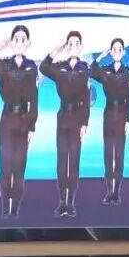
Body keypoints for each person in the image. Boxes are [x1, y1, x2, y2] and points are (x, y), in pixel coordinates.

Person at [0, 25, 39, 219]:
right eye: (16, 39)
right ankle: (6, 206)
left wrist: (32, 126)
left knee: (19, 167)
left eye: (23, 39)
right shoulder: (3, 65)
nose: (20, 42)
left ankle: (16, 208)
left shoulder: (31, 67)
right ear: (11, 42)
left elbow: (34, 98)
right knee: (6, 166)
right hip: (7, 119)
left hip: (24, 120)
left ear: (28, 43)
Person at [40, 31, 90, 217]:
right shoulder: (59, 68)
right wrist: (56, 50)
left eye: (77, 43)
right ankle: (62, 200)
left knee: (74, 159)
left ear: (81, 47)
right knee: (62, 159)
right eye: (70, 44)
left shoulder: (84, 69)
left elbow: (86, 98)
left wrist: (85, 123)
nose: (73, 46)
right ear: (67, 47)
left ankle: (71, 201)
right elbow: (44, 67)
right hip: (63, 117)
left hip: (78, 118)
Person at [90, 38, 129, 205]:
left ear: (123, 52)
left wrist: (128, 120)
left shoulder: (127, 72)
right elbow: (91, 70)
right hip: (109, 113)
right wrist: (101, 56)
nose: (116, 51)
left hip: (122, 115)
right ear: (111, 52)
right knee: (108, 153)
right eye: (113, 49)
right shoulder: (105, 71)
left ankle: (117, 192)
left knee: (119, 153)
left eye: (119, 49)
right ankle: (109, 191)